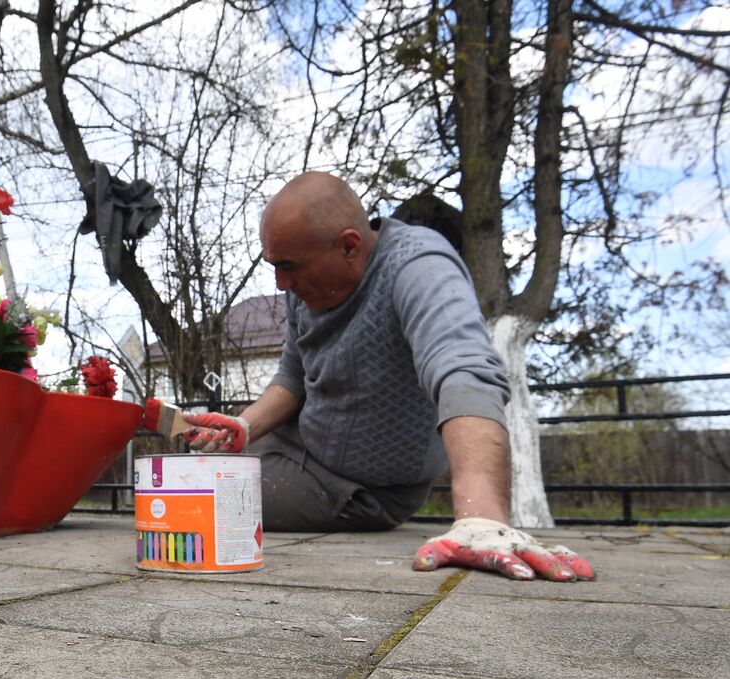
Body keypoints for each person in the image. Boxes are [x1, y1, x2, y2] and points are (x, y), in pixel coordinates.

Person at [180, 172, 594, 583]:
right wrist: (245, 426)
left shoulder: (417, 265)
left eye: (289, 267)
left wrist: (482, 521)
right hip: (297, 444)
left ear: (349, 245)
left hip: (357, 490)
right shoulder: (302, 290)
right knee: (187, 478)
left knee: (201, 502)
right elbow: (292, 374)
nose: (281, 283)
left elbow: (464, 372)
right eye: (274, 265)